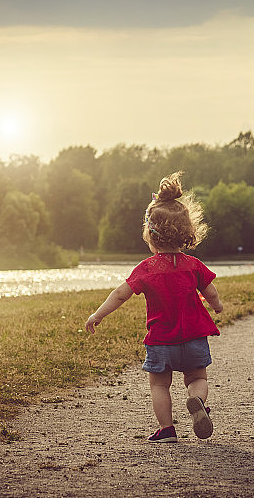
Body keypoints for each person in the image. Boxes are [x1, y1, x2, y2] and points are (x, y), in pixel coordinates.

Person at [85, 171, 224, 443]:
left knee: (160, 384)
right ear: (186, 233)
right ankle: (197, 401)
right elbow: (210, 290)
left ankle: (167, 430)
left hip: (162, 341)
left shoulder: (147, 269)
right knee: (197, 378)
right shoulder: (192, 265)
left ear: (150, 233)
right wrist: (217, 306)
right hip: (194, 337)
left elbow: (120, 295)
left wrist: (97, 314)